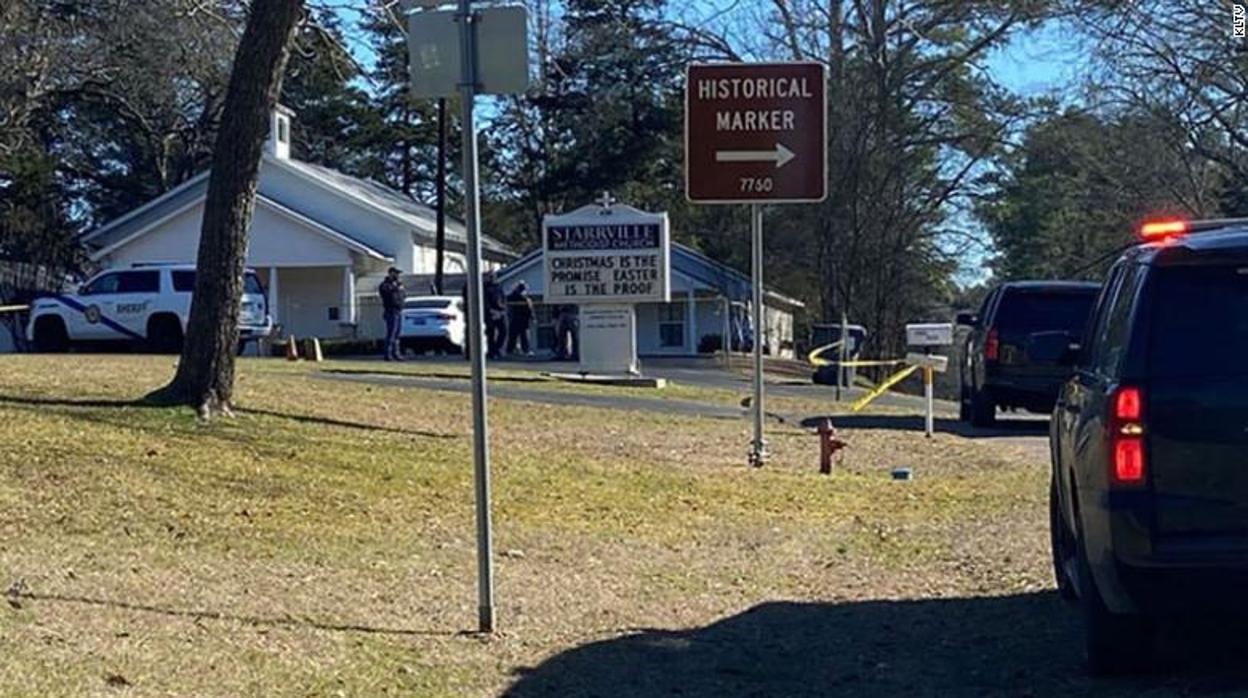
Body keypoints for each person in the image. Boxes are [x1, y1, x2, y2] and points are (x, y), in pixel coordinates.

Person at [378, 267, 406, 361]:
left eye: (398, 274)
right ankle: (388, 354)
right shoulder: (385, 285)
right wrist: (395, 288)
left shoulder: (399, 285)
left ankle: (396, 354)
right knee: (391, 333)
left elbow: (403, 295)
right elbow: (387, 295)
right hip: (390, 311)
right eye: (396, 273)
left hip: (398, 311)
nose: (398, 275)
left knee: (397, 334)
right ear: (390, 273)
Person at [483, 272, 508, 359]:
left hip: (500, 312)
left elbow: (503, 299)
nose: (492, 278)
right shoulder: (484, 288)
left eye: (493, 277)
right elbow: (484, 301)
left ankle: (497, 349)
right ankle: (491, 352)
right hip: (490, 313)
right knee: (491, 334)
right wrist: (491, 311)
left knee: (503, 332)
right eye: (490, 277)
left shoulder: (499, 287)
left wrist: (503, 310)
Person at [506, 281, 534, 356]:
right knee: (515, 336)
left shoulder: (525, 299)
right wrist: (532, 317)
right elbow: (530, 309)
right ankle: (512, 350)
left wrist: (532, 317)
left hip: (521, 320)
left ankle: (522, 350)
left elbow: (529, 310)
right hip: (516, 319)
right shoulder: (515, 298)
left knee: (522, 336)